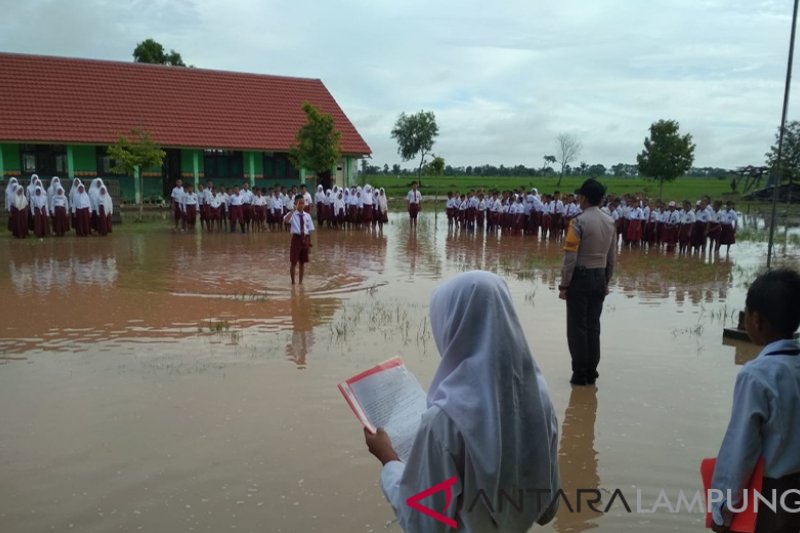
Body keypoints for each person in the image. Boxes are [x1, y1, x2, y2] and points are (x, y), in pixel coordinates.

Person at [363, 271, 560, 532]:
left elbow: (424, 524)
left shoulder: (444, 422)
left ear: (454, 327)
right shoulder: (540, 400)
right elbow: (547, 509)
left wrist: (389, 461)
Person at [711, 268, 800, 533]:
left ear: (756, 320)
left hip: (771, 496)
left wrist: (723, 509)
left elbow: (740, 450)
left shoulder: (756, 375)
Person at [559, 178, 616, 386]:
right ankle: (592, 371)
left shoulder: (578, 222)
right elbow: (612, 257)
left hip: (580, 278)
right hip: (599, 276)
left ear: (583, 198)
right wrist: (606, 280)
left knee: (577, 327)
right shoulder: (610, 222)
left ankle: (580, 372)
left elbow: (570, 258)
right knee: (594, 326)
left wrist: (564, 285)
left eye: (579, 196)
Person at [283, 194, 315, 285]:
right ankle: (293, 282)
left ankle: (300, 283)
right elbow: (286, 221)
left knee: (302, 263)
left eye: (303, 203)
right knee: (293, 262)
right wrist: (293, 210)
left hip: (305, 239)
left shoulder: (307, 216)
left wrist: (309, 245)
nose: (301, 205)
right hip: (296, 239)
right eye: (299, 203)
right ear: (295, 203)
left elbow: (309, 231)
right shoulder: (292, 214)